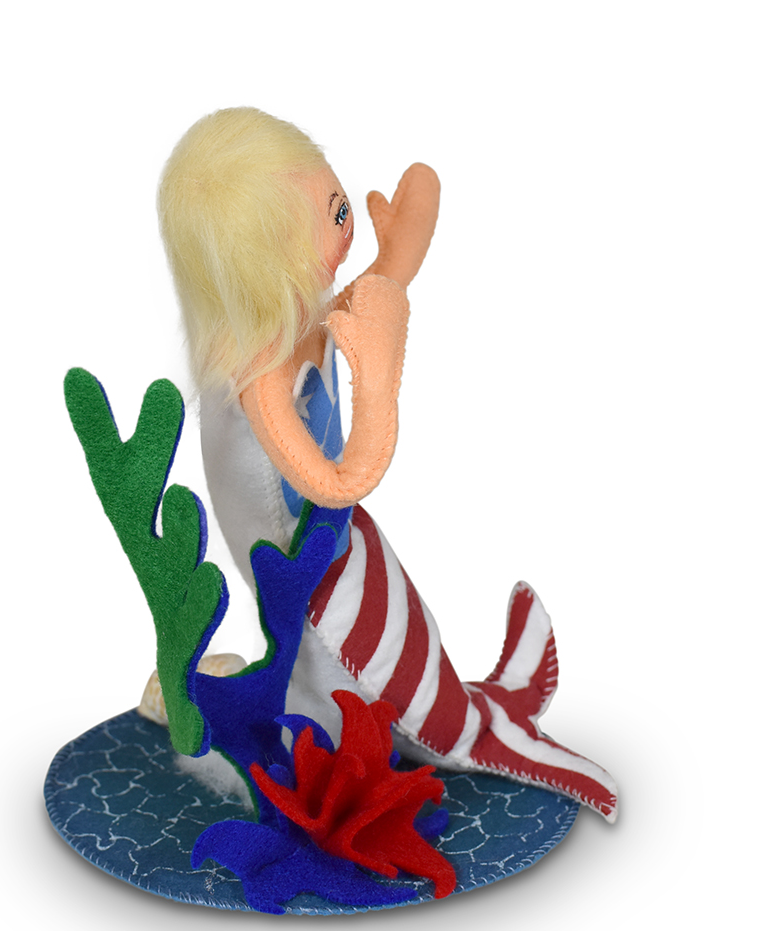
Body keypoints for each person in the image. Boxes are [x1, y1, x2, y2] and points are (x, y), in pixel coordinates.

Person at [158, 108, 617, 821]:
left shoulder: (292, 318)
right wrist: (377, 378)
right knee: (351, 680)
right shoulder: (261, 378)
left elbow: (373, 294)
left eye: (339, 204)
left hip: (338, 539)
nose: (344, 227)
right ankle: (351, 775)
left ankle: (454, 716)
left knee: (408, 637)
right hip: (306, 576)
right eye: (330, 217)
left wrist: (400, 250)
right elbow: (341, 479)